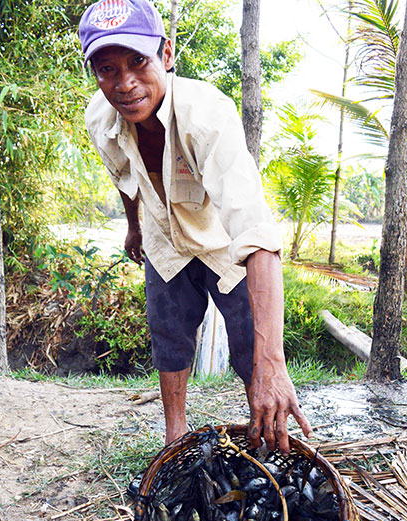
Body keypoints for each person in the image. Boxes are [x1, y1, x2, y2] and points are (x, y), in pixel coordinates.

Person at [79, 0, 313, 454]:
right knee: (169, 333)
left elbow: (255, 233)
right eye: (107, 69)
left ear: (166, 55)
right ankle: (175, 434)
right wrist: (134, 229)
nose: (125, 83)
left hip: (222, 245)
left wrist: (273, 362)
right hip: (164, 239)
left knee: (252, 350)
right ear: (95, 73)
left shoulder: (208, 116)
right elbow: (123, 176)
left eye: (138, 61)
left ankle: (264, 434)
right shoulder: (100, 117)